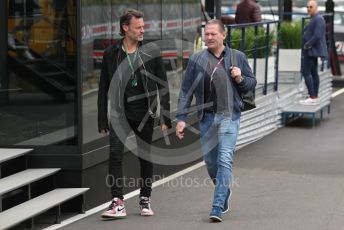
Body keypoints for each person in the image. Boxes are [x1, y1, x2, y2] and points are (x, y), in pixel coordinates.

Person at [175, 19, 256, 222]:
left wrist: (240, 78)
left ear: (223, 35)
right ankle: (224, 191)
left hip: (229, 115)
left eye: (213, 34)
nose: (209, 37)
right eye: (206, 34)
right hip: (207, 117)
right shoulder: (196, 60)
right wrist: (181, 118)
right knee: (211, 163)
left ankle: (217, 206)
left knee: (224, 159)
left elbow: (251, 84)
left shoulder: (238, 57)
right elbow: (186, 90)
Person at [98, 9, 171, 219]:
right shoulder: (111, 54)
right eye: (138, 27)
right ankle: (117, 201)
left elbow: (163, 86)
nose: (142, 31)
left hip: (145, 114)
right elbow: (103, 88)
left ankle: (145, 198)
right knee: (115, 155)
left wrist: (165, 116)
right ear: (125, 28)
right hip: (120, 114)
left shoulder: (151, 51)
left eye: (143, 27)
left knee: (145, 156)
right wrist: (102, 118)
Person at [299, 0, 327, 105]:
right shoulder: (315, 18)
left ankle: (312, 96)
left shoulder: (318, 19)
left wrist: (307, 45)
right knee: (314, 73)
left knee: (306, 72)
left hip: (310, 51)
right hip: (311, 51)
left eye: (311, 7)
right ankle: (314, 96)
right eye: (307, 7)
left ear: (316, 7)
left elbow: (318, 35)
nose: (308, 9)